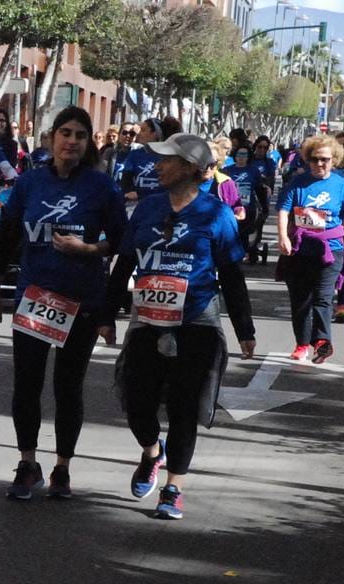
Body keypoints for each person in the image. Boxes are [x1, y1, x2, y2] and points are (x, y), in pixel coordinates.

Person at [106, 133, 256, 520]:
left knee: (185, 408)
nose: (157, 166)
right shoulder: (147, 209)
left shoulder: (216, 213)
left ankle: (174, 488)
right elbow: (124, 262)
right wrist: (105, 315)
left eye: (166, 160)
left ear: (189, 168)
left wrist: (245, 328)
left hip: (197, 319)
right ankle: (152, 452)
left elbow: (232, 274)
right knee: (137, 403)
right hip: (148, 318)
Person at [0, 106, 127, 500]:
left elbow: (122, 241)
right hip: (35, 297)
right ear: (51, 138)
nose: (72, 141)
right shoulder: (30, 184)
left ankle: (63, 467)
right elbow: (5, 236)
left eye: (81, 135)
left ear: (89, 143)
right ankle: (27, 463)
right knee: (27, 384)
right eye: (66, 133)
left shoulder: (101, 187)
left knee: (69, 387)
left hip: (80, 300)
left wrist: (89, 248)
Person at [276, 132, 344, 363]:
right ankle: (302, 344)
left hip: (331, 248)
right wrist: (283, 238)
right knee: (301, 299)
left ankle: (322, 342)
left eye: (325, 159)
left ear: (333, 160)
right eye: (315, 159)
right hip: (300, 248)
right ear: (308, 159)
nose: (319, 164)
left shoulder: (341, 185)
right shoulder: (297, 183)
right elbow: (284, 210)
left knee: (323, 297)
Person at [223, 146, 262, 256]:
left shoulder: (254, 171)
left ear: (248, 157)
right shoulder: (227, 170)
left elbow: (259, 189)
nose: (241, 157)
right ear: (235, 156)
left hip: (248, 207)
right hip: (231, 207)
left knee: (244, 232)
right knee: (231, 231)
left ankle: (242, 253)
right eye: (239, 154)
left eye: (244, 154)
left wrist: (264, 206)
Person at [120, 117, 167, 204]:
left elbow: (169, 189)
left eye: (143, 130)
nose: (139, 134)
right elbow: (126, 182)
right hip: (136, 205)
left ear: (155, 133)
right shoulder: (134, 154)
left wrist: (142, 194)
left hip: (160, 206)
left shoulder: (167, 156)